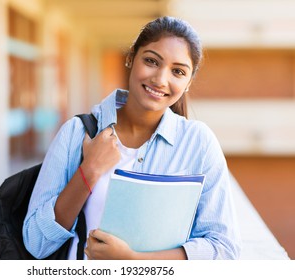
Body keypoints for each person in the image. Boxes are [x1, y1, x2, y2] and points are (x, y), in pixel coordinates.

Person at [23, 16, 241, 260]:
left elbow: (223, 249)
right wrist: (89, 171)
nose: (160, 80)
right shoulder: (76, 133)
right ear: (130, 59)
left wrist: (134, 261)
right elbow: (36, 242)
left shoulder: (198, 143)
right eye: (151, 61)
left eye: (178, 71)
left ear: (189, 82)